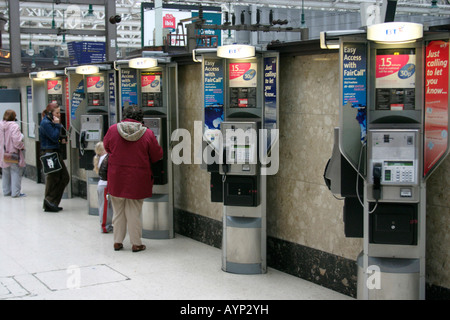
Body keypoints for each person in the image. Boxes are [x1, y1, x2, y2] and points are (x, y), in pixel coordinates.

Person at [103, 105, 163, 252]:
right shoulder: (147, 133)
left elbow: (107, 147)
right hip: (137, 178)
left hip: (117, 177)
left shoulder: (113, 130)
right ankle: (136, 243)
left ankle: (117, 241)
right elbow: (157, 155)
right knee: (134, 212)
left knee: (118, 211)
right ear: (140, 118)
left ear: (125, 115)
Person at [39, 102, 70, 212]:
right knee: (53, 178)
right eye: (57, 113)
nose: (59, 115)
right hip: (50, 154)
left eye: (59, 113)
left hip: (54, 152)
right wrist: (57, 125)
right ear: (50, 113)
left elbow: (55, 137)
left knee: (63, 177)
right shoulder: (46, 123)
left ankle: (52, 201)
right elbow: (53, 136)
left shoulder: (49, 122)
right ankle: (49, 201)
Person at [0, 109, 26, 198]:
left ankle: (6, 191)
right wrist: (21, 145)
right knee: (15, 172)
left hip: (3, 153)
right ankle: (15, 193)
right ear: (14, 117)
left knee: (5, 172)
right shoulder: (14, 126)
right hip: (12, 153)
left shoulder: (0, 125)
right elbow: (16, 140)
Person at [93, 141, 113, 233]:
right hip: (105, 186)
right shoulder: (104, 158)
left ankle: (107, 225)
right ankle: (105, 226)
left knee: (105, 206)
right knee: (105, 207)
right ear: (101, 151)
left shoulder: (99, 158)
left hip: (102, 186)